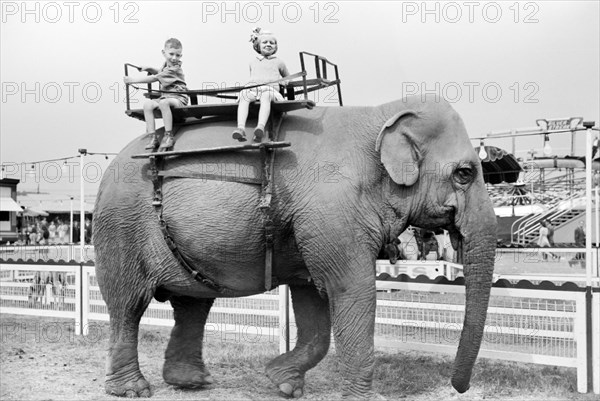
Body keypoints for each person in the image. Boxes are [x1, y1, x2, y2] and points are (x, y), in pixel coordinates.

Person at [124, 38, 188, 151]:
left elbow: (155, 78)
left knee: (164, 103)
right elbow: (159, 72)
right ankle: (152, 137)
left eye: (177, 55)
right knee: (147, 105)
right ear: (164, 53)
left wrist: (133, 80)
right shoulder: (166, 65)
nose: (174, 58)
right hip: (166, 96)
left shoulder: (175, 68)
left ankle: (168, 135)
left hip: (178, 98)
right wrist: (149, 68)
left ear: (181, 56)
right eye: (171, 54)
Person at [232, 28, 289, 143]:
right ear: (258, 46)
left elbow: (287, 77)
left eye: (272, 43)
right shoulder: (253, 62)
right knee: (244, 95)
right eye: (265, 42)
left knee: (266, 96)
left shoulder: (279, 62)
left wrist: (284, 82)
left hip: (270, 90)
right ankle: (241, 128)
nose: (268, 44)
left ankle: (260, 126)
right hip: (254, 90)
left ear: (275, 47)